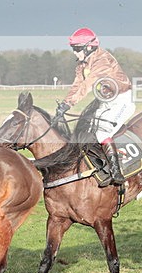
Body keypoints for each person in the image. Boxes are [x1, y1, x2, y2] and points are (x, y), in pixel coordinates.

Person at [54, 28, 135, 186]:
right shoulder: (82, 64)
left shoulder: (102, 60)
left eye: (77, 49)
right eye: (73, 49)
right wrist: (64, 103)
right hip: (105, 101)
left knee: (101, 132)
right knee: (86, 130)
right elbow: (77, 84)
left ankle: (117, 173)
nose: (75, 53)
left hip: (121, 100)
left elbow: (87, 85)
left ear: (89, 47)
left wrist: (69, 104)